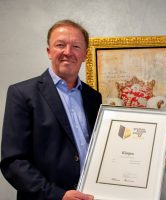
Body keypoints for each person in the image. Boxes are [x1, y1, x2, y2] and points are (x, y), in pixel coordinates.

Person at [0, 19, 102, 200]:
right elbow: (13, 162)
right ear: (49, 51)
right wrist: (58, 195)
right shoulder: (22, 94)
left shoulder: (93, 97)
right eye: (60, 45)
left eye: (76, 46)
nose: (68, 52)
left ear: (85, 54)